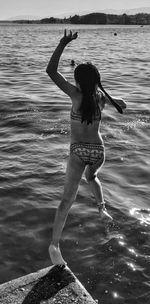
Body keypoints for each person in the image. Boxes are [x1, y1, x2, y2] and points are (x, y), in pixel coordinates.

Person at [46, 29, 126, 265]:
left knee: (66, 201)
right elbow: (124, 104)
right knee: (92, 177)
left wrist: (63, 42)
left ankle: (54, 246)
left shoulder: (76, 94)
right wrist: (115, 100)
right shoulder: (101, 97)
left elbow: (51, 71)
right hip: (99, 151)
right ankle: (101, 207)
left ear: (78, 81)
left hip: (79, 150)